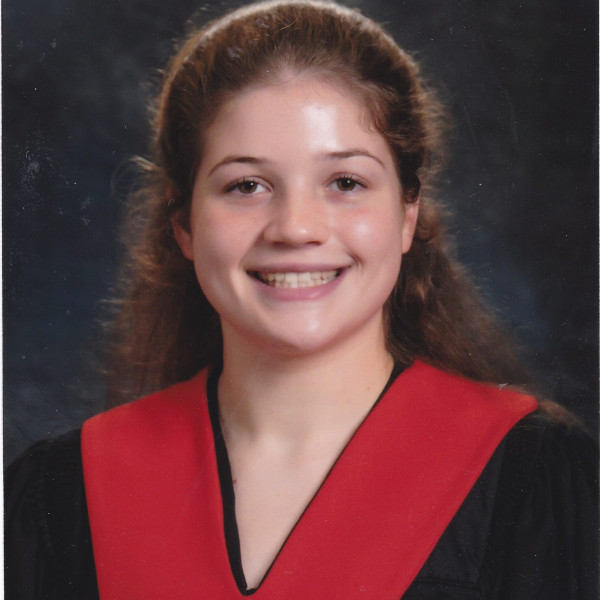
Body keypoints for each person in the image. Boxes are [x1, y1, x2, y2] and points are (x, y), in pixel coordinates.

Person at [5, 1, 597, 598]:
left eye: (345, 182)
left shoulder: (531, 476)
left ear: (406, 216)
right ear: (183, 224)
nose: (295, 227)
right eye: (246, 186)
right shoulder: (66, 490)